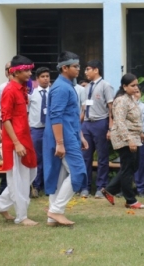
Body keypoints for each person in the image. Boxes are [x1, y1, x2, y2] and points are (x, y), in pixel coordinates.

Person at [0, 55, 38, 226]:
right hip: (15, 141)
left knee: (30, 174)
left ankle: (1, 205)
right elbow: (6, 119)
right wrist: (16, 143)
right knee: (18, 179)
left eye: (29, 69)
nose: (29, 73)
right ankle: (21, 216)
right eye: (25, 70)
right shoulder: (9, 90)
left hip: (24, 137)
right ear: (16, 72)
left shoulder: (23, 89)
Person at [43, 52, 88, 226]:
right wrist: (60, 143)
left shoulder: (67, 86)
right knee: (78, 173)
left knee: (59, 176)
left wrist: (81, 136)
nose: (79, 69)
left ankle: (51, 218)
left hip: (69, 135)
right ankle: (55, 211)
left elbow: (71, 116)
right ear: (64, 68)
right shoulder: (62, 87)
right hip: (64, 138)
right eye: (75, 66)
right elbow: (56, 116)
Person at [101, 74, 144, 209]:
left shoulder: (130, 99)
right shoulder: (121, 100)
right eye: (132, 85)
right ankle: (130, 200)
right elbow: (119, 121)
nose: (135, 87)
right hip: (124, 137)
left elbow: (133, 119)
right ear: (124, 87)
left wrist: (140, 132)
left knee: (133, 166)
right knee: (127, 168)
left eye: (136, 85)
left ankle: (110, 190)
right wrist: (129, 140)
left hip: (134, 136)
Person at [80, 60, 114, 198]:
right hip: (87, 123)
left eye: (88, 69)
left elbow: (111, 108)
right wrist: (79, 125)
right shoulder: (86, 88)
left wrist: (110, 128)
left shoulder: (106, 86)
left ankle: (101, 187)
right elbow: (84, 108)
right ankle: (85, 187)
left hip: (101, 122)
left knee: (102, 157)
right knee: (85, 157)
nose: (85, 72)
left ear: (96, 70)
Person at [28, 67, 50, 198]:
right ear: (37, 79)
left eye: (47, 76)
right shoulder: (32, 94)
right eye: (42, 76)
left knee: (50, 157)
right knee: (37, 158)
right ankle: (36, 186)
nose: (45, 79)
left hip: (50, 129)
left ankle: (49, 186)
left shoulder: (53, 93)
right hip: (36, 129)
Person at [0, 61, 12, 198]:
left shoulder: (27, 86)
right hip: (6, 126)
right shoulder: (2, 87)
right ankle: (4, 186)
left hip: (24, 127)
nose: (9, 71)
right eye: (7, 69)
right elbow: (0, 111)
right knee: (7, 158)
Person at [133, 85, 144, 198]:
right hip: (128, 138)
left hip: (141, 139)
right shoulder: (124, 106)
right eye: (133, 91)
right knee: (127, 164)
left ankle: (140, 188)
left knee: (140, 165)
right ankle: (126, 188)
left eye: (138, 92)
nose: (135, 94)